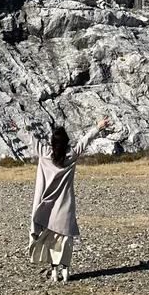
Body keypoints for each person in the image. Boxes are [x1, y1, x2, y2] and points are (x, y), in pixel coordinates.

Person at [25, 116, 109, 283]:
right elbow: (85, 141)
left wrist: (18, 130)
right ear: (66, 142)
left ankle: (54, 271)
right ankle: (66, 270)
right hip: (65, 206)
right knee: (66, 238)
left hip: (47, 207)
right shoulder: (72, 155)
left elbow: (31, 141)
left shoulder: (45, 154)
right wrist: (98, 127)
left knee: (51, 239)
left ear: (53, 143)